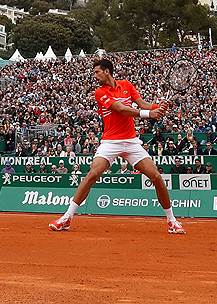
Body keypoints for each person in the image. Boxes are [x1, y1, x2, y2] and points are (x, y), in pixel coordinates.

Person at [49, 58, 186, 235]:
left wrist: (158, 108)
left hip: (131, 141)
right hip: (110, 142)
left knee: (156, 177)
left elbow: (143, 104)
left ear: (107, 71)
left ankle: (172, 221)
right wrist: (149, 114)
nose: (95, 75)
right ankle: (66, 218)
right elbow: (121, 109)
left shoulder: (126, 85)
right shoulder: (99, 92)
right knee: (92, 174)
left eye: (97, 71)